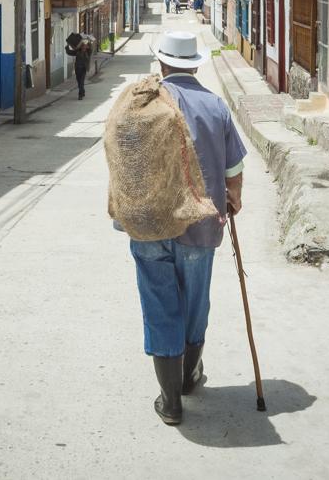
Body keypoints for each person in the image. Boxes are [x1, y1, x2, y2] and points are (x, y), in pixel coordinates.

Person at [129, 30, 247, 425]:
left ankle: (171, 401)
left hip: (148, 226)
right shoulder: (215, 107)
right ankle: (189, 378)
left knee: (159, 305)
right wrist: (234, 198)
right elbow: (234, 169)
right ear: (195, 64)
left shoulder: (143, 103)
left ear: (162, 64)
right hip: (199, 226)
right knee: (194, 302)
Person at [65, 35, 92, 100]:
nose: (84, 47)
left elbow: (91, 47)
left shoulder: (88, 52)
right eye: (83, 46)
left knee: (81, 81)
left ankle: (80, 95)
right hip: (77, 68)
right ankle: (82, 91)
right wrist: (67, 46)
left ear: (86, 47)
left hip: (83, 68)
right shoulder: (77, 51)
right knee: (79, 81)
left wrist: (89, 41)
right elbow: (69, 52)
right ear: (81, 46)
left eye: (85, 46)